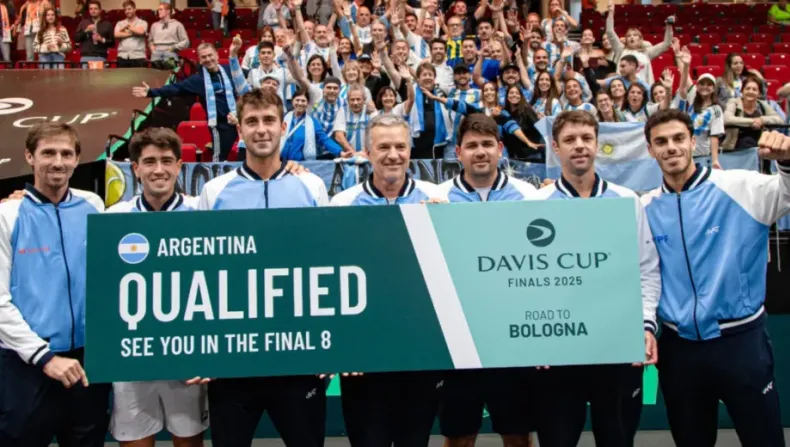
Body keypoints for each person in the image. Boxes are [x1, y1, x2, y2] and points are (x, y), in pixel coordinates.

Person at [641, 109, 790, 447]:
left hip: (741, 342)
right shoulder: (646, 206)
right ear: (650, 150)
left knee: (764, 439)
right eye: (661, 142)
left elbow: (786, 193)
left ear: (693, 142)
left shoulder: (739, 186)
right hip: (679, 348)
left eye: (678, 138)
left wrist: (787, 162)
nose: (671, 147)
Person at [193, 89, 329, 447]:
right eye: (252, 122)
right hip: (232, 358)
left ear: (283, 126)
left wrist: (330, 346)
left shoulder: (311, 186)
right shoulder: (214, 191)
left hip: (299, 354)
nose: (261, 129)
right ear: (240, 130)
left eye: (269, 120)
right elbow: (202, 272)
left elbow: (326, 263)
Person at [532, 110, 661, 447]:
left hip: (617, 347)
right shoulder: (534, 204)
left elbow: (646, 269)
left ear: (597, 143)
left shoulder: (627, 200)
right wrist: (533, 337)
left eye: (586, 138)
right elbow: (523, 277)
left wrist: (645, 325)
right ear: (555, 148)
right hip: (557, 352)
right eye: (570, 140)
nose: (579, 146)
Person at [329, 114, 443, 445]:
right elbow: (334, 281)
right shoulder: (342, 205)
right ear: (367, 152)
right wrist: (344, 348)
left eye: (400, 146)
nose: (393, 155)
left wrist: (444, 225)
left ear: (410, 150)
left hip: (420, 355)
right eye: (383, 147)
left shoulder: (437, 199)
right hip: (364, 357)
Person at [0, 122, 111, 446]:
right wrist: (43, 357)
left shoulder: (94, 206)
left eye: (66, 154)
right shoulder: (8, 215)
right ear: (29, 157)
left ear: (77, 159)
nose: (58, 162)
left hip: (86, 361)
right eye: (48, 153)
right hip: (26, 363)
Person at [437, 113, 537, 447]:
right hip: (457, 339)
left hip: (513, 340)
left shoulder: (528, 196)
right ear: (458, 152)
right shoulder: (437, 198)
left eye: (487, 144)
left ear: (500, 148)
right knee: (459, 437)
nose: (480, 152)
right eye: (471, 146)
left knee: (517, 435)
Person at [106, 127, 208, 447]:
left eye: (166, 161)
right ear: (135, 168)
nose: (159, 170)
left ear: (179, 166)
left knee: (188, 441)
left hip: (187, 352)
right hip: (132, 352)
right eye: (149, 162)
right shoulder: (113, 218)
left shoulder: (201, 214)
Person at [133, 43, 237, 162]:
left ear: (217, 55)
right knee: (219, 158)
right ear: (200, 60)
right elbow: (176, 88)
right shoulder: (198, 79)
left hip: (238, 120)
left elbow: (245, 82)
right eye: (204, 57)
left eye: (210, 55)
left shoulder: (230, 71)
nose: (208, 59)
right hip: (219, 126)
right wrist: (151, 92)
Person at [74, 0, 114, 64]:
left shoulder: (107, 24)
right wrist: (86, 31)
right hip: (86, 57)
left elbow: (112, 43)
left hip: (101, 57)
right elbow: (76, 38)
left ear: (100, 10)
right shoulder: (83, 23)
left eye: (95, 9)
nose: (93, 11)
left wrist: (102, 39)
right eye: (91, 9)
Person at [114, 0, 148, 68]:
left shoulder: (143, 23)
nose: (127, 11)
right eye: (125, 10)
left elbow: (141, 32)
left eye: (129, 9)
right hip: (122, 57)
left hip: (138, 57)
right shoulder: (120, 23)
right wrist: (134, 32)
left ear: (135, 9)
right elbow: (116, 35)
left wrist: (127, 27)